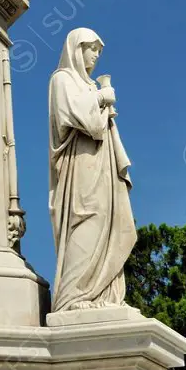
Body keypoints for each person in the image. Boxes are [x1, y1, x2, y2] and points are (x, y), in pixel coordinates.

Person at [48, 27, 137, 312]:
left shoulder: (89, 86)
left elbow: (100, 126)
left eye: (99, 50)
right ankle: (72, 297)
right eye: (91, 48)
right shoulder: (62, 79)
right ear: (76, 49)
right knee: (86, 220)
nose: (96, 55)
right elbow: (73, 115)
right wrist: (101, 99)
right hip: (80, 167)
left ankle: (102, 294)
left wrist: (101, 101)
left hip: (102, 165)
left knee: (107, 221)